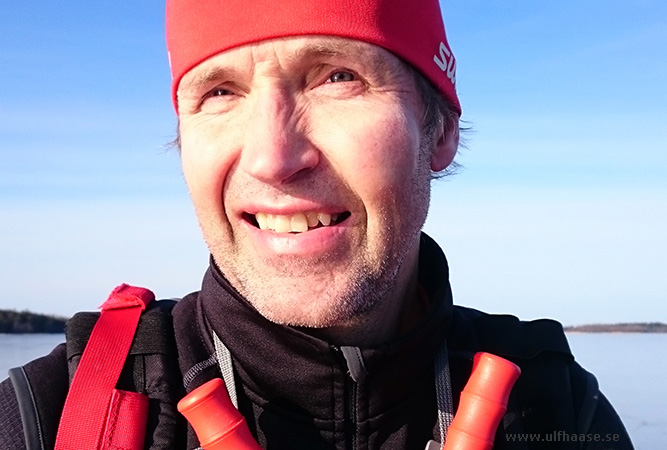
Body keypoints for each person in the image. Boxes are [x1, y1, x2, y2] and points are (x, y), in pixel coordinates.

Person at [1, 0, 634, 449]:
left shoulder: (555, 409)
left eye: (337, 78)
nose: (272, 159)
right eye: (219, 92)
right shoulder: (55, 414)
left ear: (437, 130)